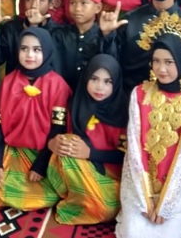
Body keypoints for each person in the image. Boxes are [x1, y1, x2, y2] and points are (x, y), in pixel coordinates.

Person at [115, 27, 181, 237]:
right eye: (156, 61)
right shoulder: (139, 93)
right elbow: (134, 148)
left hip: (177, 187)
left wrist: (166, 204)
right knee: (134, 233)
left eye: (169, 62)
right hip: (140, 184)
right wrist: (146, 199)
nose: (161, 69)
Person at [0, 27, 72, 210]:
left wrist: (40, 166)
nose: (29, 54)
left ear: (47, 51)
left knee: (49, 194)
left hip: (44, 154)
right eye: (24, 49)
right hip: (15, 151)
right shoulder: (9, 81)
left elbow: (58, 129)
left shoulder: (57, 85)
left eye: (37, 49)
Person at [48, 54, 127, 225]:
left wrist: (91, 153)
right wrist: (52, 143)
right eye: (94, 79)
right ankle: (79, 197)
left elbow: (124, 156)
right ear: (86, 78)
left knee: (108, 208)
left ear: (116, 83)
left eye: (108, 82)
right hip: (78, 170)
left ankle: (82, 200)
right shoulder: (75, 103)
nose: (100, 87)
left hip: (110, 174)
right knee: (68, 141)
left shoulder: (123, 111)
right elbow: (57, 133)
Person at [0, 0, 58, 88]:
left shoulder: (58, 32)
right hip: (14, 88)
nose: (33, 5)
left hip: (48, 89)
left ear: (51, 4)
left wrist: (35, 27)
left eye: (40, 1)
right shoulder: (11, 28)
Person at [51, 0, 105, 90]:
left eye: (83, 3)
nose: (77, 8)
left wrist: (107, 35)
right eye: (72, 3)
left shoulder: (104, 37)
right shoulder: (59, 35)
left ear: (98, 7)